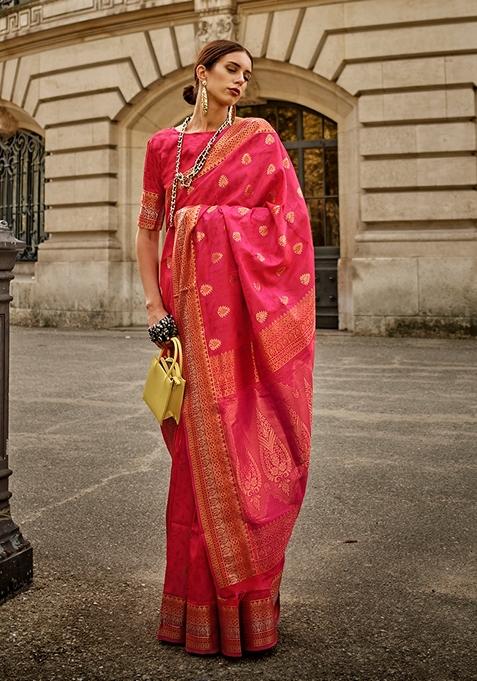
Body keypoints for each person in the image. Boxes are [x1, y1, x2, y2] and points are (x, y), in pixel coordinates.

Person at [135, 39, 316, 658]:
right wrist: (156, 308)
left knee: (244, 455)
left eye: (247, 74)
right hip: (184, 320)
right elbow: (148, 230)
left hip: (241, 327)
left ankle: (245, 607)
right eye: (231, 70)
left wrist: (207, 223)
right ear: (202, 74)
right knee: (192, 462)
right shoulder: (163, 146)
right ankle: (194, 613)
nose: (242, 81)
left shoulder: (260, 139)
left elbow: (289, 227)